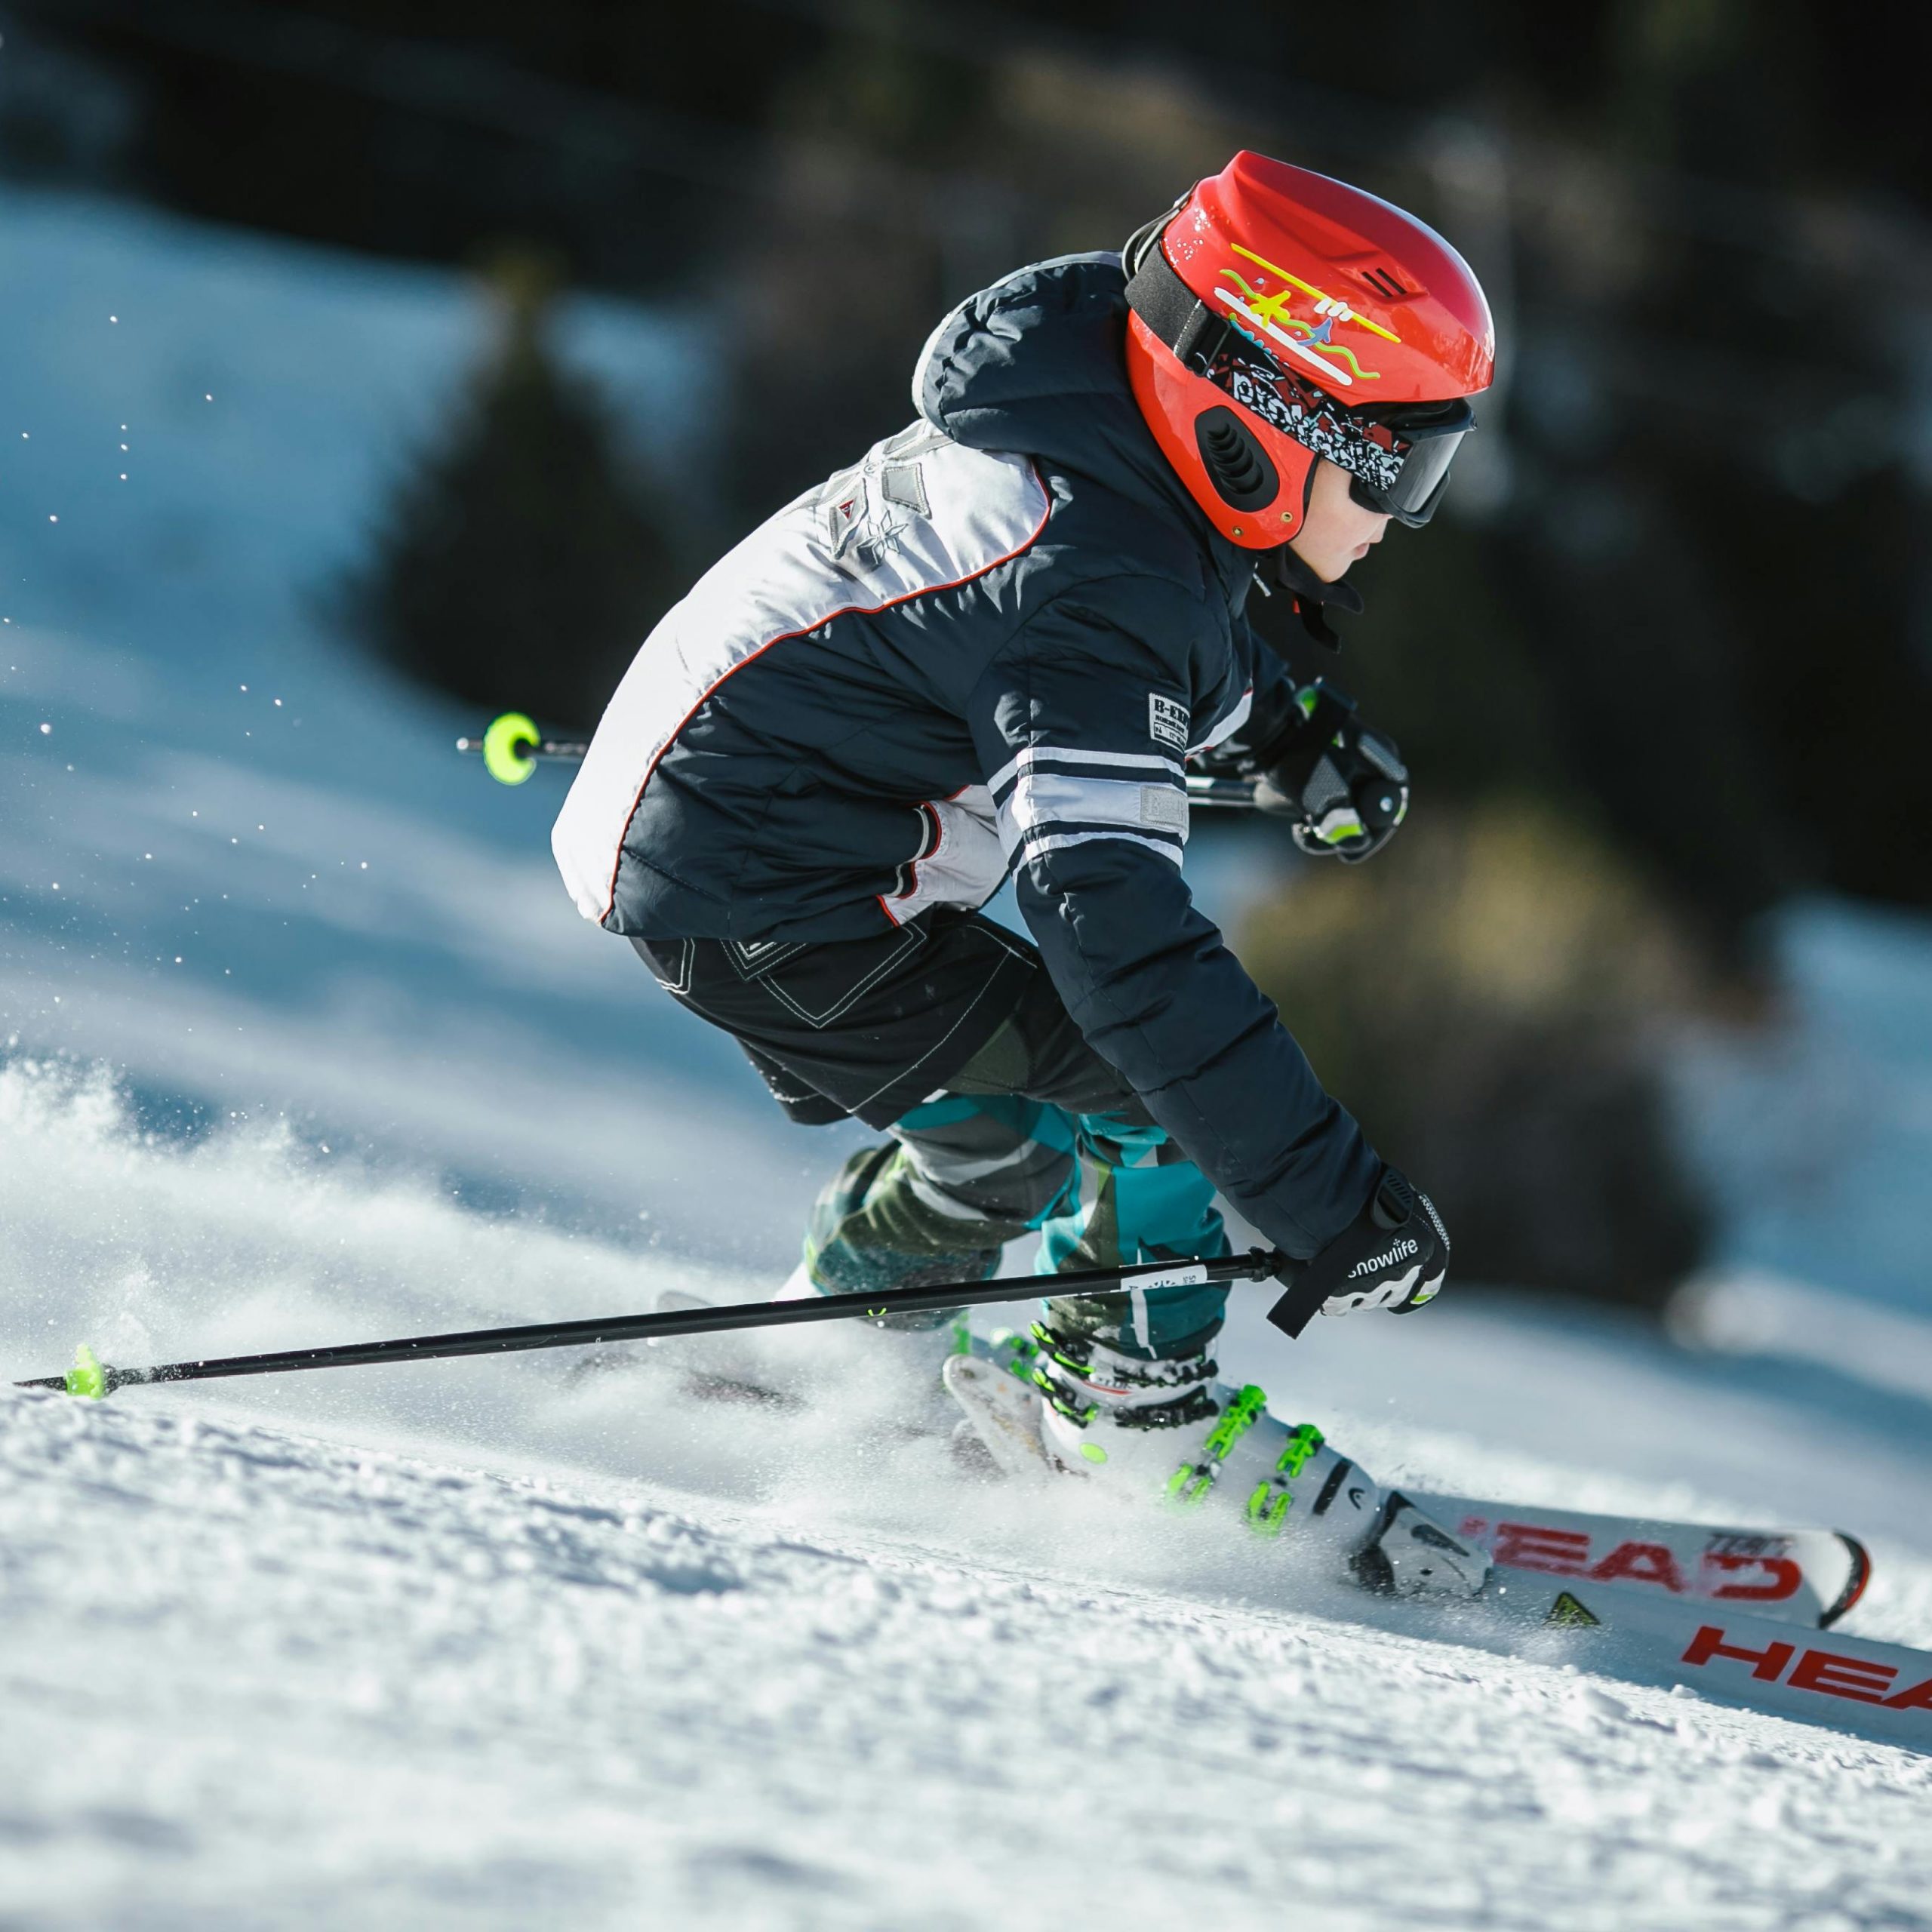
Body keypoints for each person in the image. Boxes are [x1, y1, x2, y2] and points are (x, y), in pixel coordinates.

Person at [552, 151, 1494, 1593]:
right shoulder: (1088, 584)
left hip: (737, 844)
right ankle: (1131, 1409)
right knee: (1153, 1099)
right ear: (1268, 420)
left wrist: (1291, 737)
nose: (1400, 517)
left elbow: (1162, 629)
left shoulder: (1093, 441)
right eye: (1397, 465)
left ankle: (834, 1341)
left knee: (1011, 1135)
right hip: (770, 894)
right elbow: (1112, 933)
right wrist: (1328, 1202)